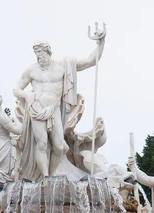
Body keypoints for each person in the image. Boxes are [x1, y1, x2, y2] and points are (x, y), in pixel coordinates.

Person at [13, 32, 105, 180]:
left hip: (54, 110)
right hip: (36, 110)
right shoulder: (31, 70)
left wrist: (101, 42)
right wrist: (26, 95)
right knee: (41, 144)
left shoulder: (63, 66)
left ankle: (51, 174)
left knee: (59, 147)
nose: (38, 57)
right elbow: (16, 89)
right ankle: (46, 176)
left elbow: (90, 61)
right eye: (36, 54)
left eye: (40, 53)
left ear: (48, 51)